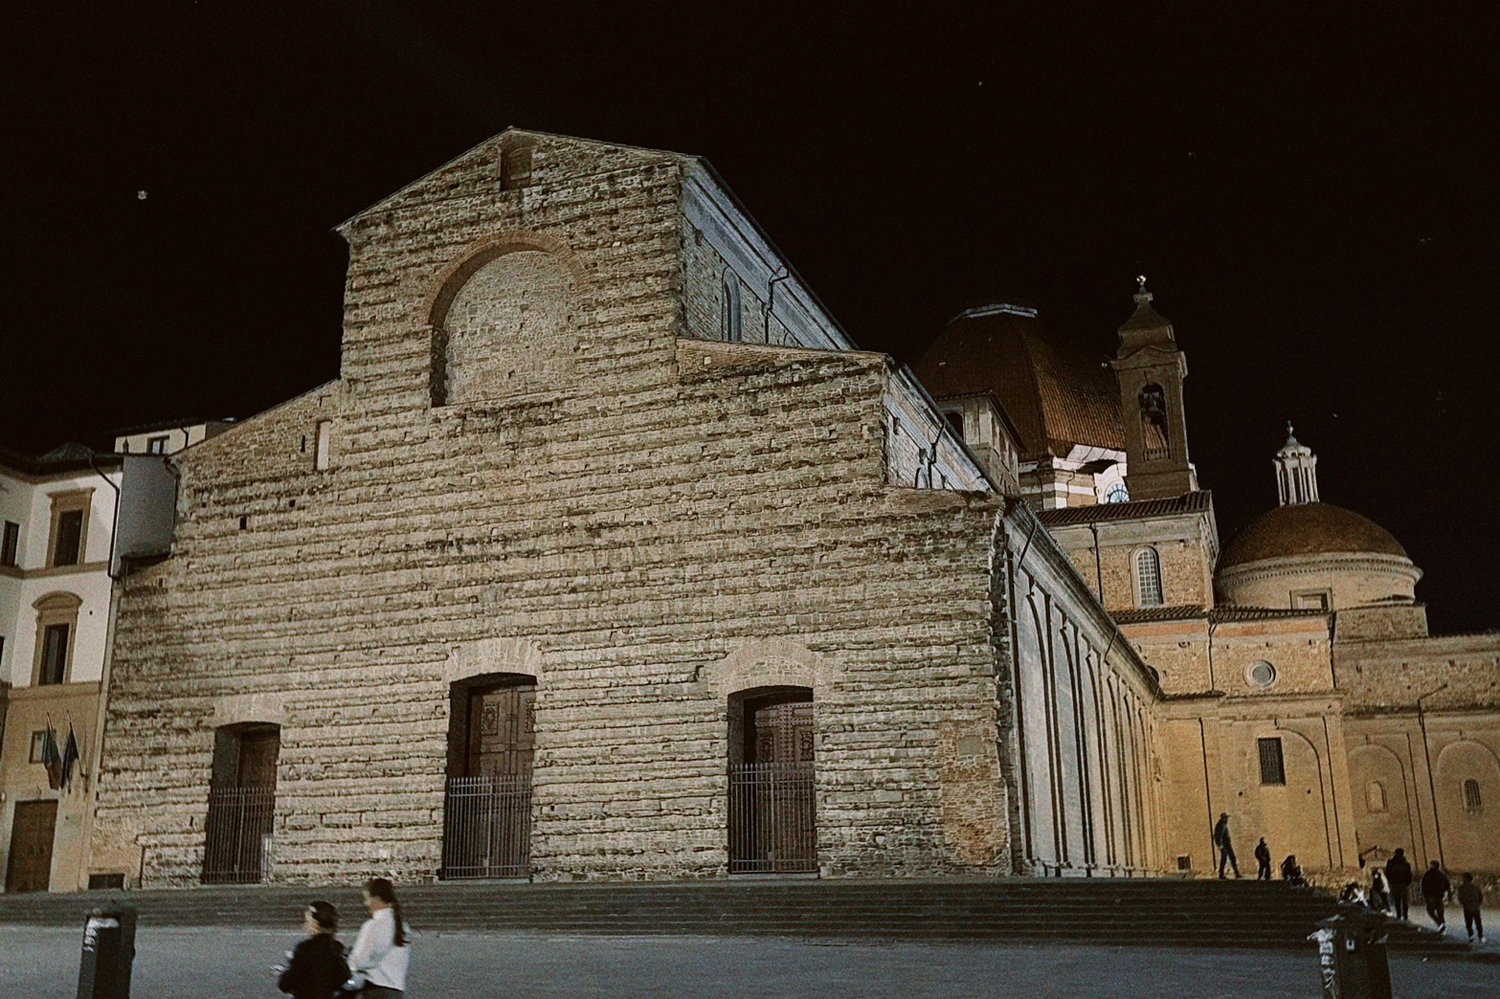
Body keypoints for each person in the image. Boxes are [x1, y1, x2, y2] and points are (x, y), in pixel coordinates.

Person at [345, 877, 410, 997]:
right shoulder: (403, 926)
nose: (366, 904)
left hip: (376, 989)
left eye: (367, 899)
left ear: (376, 899)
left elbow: (360, 960)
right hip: (396, 989)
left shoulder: (373, 926)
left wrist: (349, 960)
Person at [276, 901, 349, 999]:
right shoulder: (337, 948)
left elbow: (286, 984)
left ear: (315, 924)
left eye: (307, 921)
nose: (304, 925)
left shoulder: (305, 949)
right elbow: (344, 977)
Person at [1420, 860, 1451, 933]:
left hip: (1431, 895)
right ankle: (1442, 923)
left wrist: (1425, 894)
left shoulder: (1428, 874)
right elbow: (1447, 885)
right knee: (1440, 911)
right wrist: (1448, 894)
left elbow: (1424, 885)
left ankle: (1439, 924)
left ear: (1433, 865)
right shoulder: (1442, 875)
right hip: (1440, 896)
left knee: (1430, 911)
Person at [1385, 848, 1413, 921]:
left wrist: (1390, 882)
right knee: (1404, 900)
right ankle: (1405, 916)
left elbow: (1387, 873)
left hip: (1394, 884)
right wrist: (1408, 883)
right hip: (1403, 884)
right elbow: (1409, 875)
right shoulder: (1406, 864)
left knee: (1397, 900)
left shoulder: (1390, 863)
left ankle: (1398, 915)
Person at [1456, 873, 1485, 944]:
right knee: (1478, 923)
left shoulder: (1461, 888)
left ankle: (1471, 936)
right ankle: (1480, 936)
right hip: (1476, 907)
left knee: (1469, 923)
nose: (1462, 879)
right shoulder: (1476, 887)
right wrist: (1478, 904)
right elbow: (1481, 897)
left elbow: (1460, 898)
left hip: (1467, 908)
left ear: (1465, 879)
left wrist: (1463, 904)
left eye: (1463, 878)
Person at [1213, 813, 1241, 879]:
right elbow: (1219, 836)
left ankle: (1235, 873)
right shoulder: (1221, 825)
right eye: (1226, 818)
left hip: (1226, 844)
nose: (1227, 819)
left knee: (1228, 858)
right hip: (1225, 845)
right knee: (1228, 858)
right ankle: (1225, 874)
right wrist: (1220, 845)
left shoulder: (1222, 825)